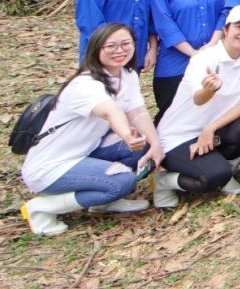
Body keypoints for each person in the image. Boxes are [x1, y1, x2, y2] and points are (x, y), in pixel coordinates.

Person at [20, 23, 162, 235]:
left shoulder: (127, 75)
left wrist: (156, 144)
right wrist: (126, 134)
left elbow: (137, 112)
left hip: (86, 151)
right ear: (96, 49)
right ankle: (41, 208)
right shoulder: (85, 84)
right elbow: (110, 111)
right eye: (111, 46)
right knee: (122, 181)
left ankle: (104, 202)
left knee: (146, 146)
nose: (120, 50)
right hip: (53, 165)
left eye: (126, 44)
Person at [152, 4, 240, 208]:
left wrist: (209, 129)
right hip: (179, 136)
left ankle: (224, 171)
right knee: (213, 177)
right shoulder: (204, 59)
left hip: (211, 130)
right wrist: (209, 89)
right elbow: (198, 99)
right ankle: (164, 181)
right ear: (227, 29)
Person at [150, 0, 228, 114]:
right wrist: (194, 54)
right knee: (171, 114)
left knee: (210, 113)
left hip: (212, 57)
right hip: (176, 62)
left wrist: (212, 44)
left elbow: (224, 13)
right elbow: (164, 24)